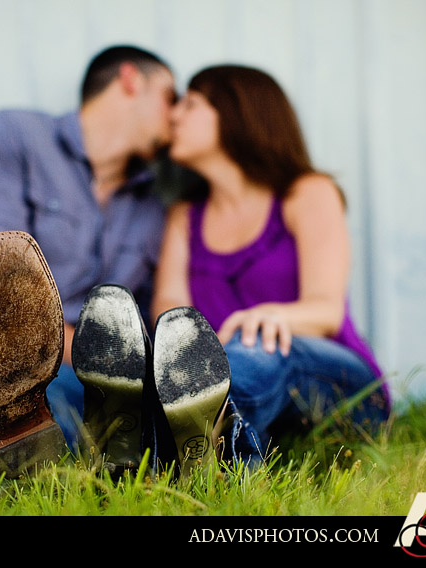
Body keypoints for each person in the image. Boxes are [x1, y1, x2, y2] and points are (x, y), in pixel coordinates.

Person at [0, 45, 177, 448]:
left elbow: (148, 316)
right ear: (131, 80)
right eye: (171, 97)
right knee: (42, 394)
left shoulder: (155, 202)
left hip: (96, 379)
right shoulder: (12, 137)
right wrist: (101, 361)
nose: (176, 115)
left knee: (115, 411)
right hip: (0, 358)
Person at [151, 65, 390, 461]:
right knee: (207, 366)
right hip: (235, 374)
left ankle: (195, 430)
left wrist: (267, 318)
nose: (174, 115)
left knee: (262, 348)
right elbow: (170, 313)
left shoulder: (307, 194)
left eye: (190, 104)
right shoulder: (184, 216)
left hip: (334, 381)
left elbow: (326, 311)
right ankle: (218, 453)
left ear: (237, 114)